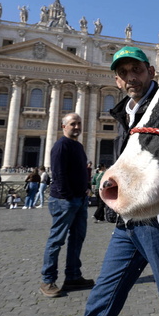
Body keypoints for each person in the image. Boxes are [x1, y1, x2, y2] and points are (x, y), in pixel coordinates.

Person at [53, 46, 159, 316]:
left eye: (136, 70)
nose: (131, 78)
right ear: (117, 79)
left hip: (157, 225)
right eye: (124, 73)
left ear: (151, 72)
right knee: (98, 308)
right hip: (126, 226)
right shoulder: (123, 111)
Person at [40, 112, 94, 297]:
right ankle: (48, 280)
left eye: (79, 123)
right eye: (73, 124)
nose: (77, 127)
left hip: (79, 199)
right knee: (56, 240)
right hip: (65, 201)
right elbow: (59, 174)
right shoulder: (61, 146)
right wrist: (68, 196)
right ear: (64, 126)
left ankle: (72, 276)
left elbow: (81, 170)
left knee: (77, 239)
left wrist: (86, 188)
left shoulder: (77, 146)